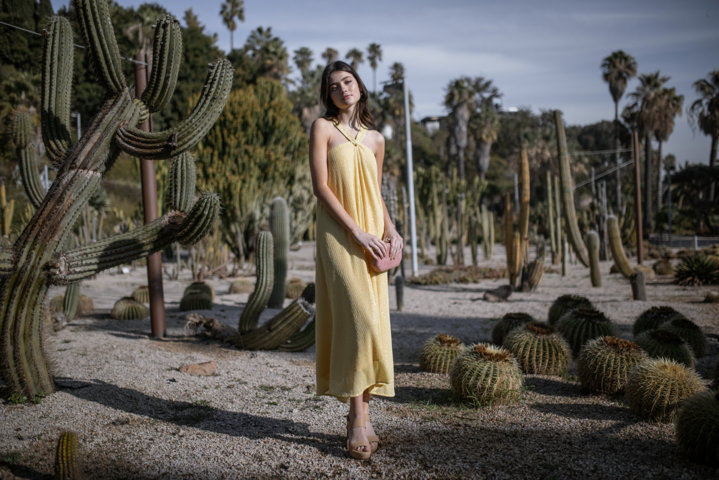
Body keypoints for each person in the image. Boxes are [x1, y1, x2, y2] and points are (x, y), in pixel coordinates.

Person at [309, 61, 402, 460]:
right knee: (359, 321)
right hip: (339, 233)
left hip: (372, 237)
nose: (342, 90)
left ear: (359, 87)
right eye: (334, 86)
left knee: (372, 325)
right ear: (328, 95)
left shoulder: (377, 140)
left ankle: (358, 418)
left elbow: (375, 192)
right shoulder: (323, 129)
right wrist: (356, 231)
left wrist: (391, 229)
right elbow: (321, 187)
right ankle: (358, 417)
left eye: (347, 82)